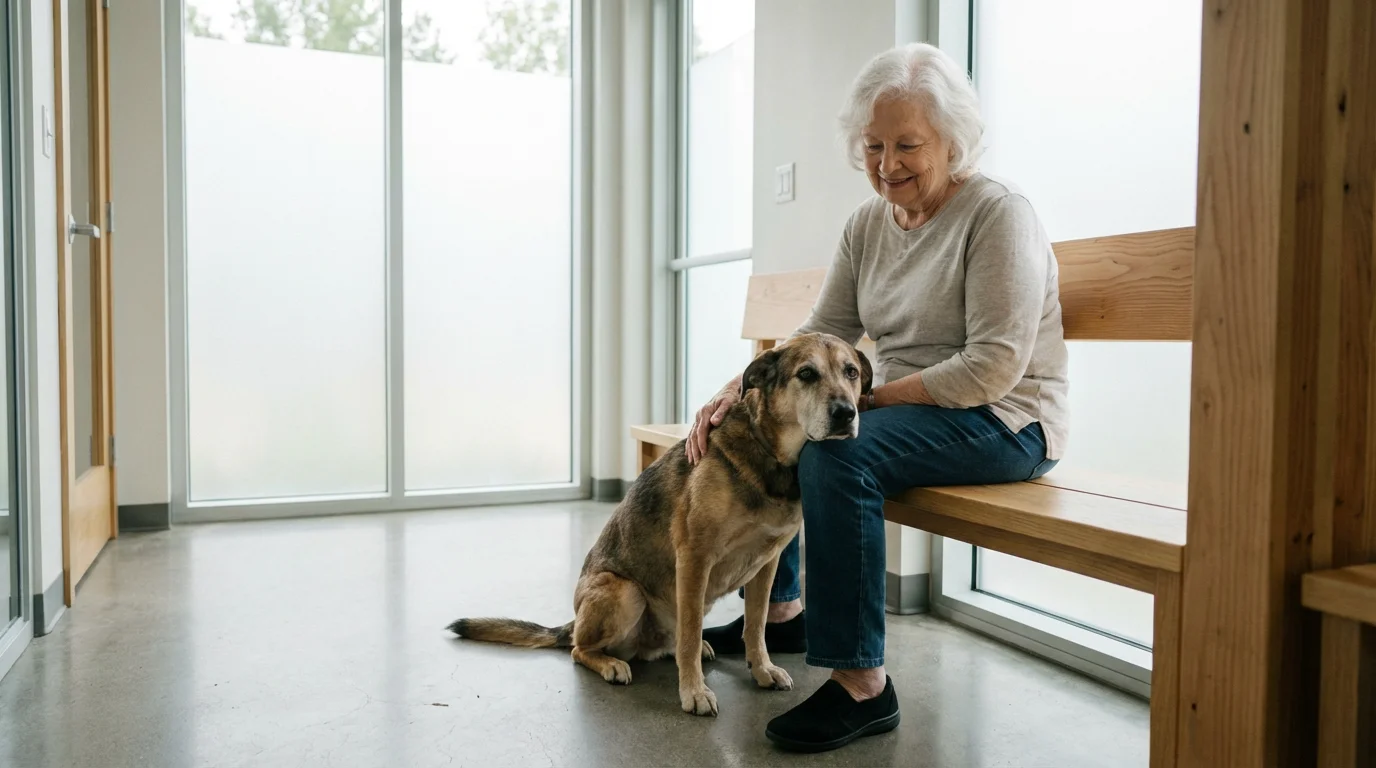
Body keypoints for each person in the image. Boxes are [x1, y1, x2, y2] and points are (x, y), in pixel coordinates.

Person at [686, 42, 1069, 753]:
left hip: (1006, 419)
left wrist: (867, 401)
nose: (888, 164)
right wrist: (738, 385)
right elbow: (823, 329)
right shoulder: (869, 223)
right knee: (795, 425)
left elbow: (994, 365)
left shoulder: (997, 214)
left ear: (955, 140)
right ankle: (786, 615)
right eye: (874, 146)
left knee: (836, 450)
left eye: (908, 145)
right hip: (908, 407)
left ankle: (864, 683)